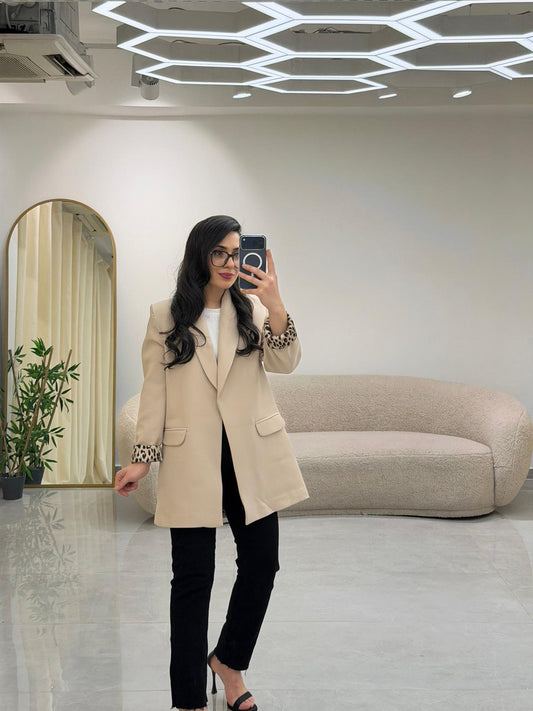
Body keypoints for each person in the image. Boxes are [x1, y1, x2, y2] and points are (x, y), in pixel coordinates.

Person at [114, 215, 309, 711]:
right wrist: (142, 459)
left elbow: (286, 363)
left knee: (262, 564)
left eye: (237, 253)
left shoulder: (253, 310)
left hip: (251, 457)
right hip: (192, 458)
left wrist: (275, 303)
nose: (229, 262)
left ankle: (228, 663)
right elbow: (154, 392)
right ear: (200, 255)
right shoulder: (165, 316)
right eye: (220, 252)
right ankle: (188, 699)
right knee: (192, 580)